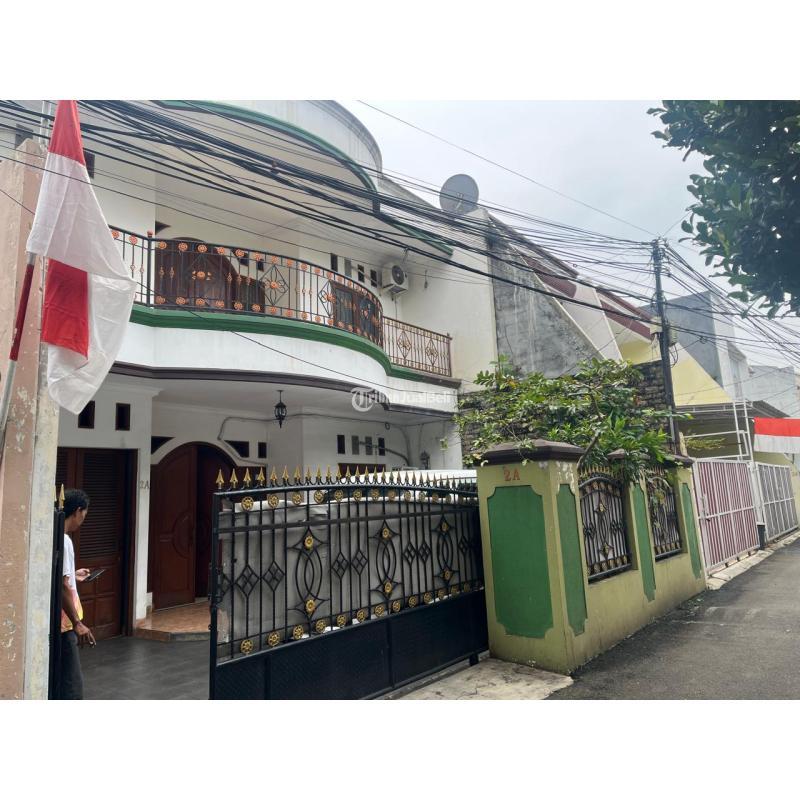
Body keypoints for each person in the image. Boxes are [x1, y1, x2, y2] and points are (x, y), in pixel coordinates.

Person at [59, 489, 95, 700]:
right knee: (72, 684)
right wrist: (77, 623)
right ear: (78, 511)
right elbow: (63, 586)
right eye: (84, 515)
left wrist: (74, 574)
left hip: (61, 621)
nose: (83, 519)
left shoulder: (54, 535)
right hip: (65, 623)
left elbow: (62, 577)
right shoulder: (64, 540)